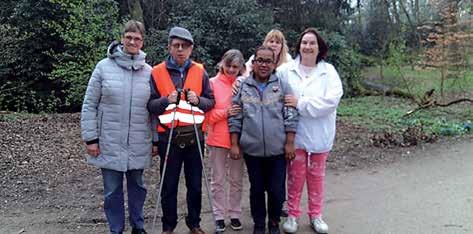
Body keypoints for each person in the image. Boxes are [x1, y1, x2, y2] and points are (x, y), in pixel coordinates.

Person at [80, 20, 156, 234]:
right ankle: (116, 229)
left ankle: (138, 226)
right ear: (122, 38)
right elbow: (89, 104)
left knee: (138, 188)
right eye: (129, 37)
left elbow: (153, 110)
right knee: (112, 190)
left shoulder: (149, 72)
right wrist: (91, 138)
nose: (132, 41)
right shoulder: (103, 67)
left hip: (139, 141)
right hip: (109, 141)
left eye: (137, 38)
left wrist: (156, 140)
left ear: (142, 41)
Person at [147, 26, 215, 234]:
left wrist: (199, 100)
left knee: (195, 184)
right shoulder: (157, 71)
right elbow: (150, 105)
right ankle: (168, 225)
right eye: (176, 45)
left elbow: (211, 101)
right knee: (168, 185)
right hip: (169, 137)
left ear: (190, 49)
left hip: (194, 136)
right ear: (169, 47)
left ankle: (194, 223)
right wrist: (165, 101)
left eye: (184, 46)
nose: (180, 50)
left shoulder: (200, 71)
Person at [278, 28, 343, 234]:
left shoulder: (329, 72)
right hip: (294, 135)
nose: (307, 46)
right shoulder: (285, 70)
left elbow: (330, 101)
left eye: (312, 43)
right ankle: (292, 215)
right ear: (299, 46)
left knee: (316, 177)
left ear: (319, 47)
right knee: (295, 177)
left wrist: (301, 103)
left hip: (320, 135)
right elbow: (262, 79)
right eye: (304, 42)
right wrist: (239, 83)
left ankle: (316, 215)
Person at [228, 46, 298, 234]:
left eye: (268, 61)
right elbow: (235, 116)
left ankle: (273, 223)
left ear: (274, 64)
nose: (264, 64)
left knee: (276, 191)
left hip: (278, 151)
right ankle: (259, 224)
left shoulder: (282, 85)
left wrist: (290, 142)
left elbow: (291, 114)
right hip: (252, 151)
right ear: (254, 63)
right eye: (260, 60)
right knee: (257, 190)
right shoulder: (243, 86)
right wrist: (234, 144)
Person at [206, 49, 246, 232]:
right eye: (228, 65)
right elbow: (206, 116)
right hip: (217, 140)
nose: (231, 70)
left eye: (235, 67)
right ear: (222, 63)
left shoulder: (244, 84)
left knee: (237, 180)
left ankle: (235, 214)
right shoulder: (211, 83)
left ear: (241, 68)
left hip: (239, 140)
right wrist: (226, 112)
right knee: (218, 180)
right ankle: (219, 215)